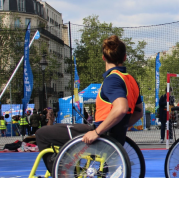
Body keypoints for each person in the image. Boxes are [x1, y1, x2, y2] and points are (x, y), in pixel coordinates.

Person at [35, 35, 143, 173]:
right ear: (125, 57)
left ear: (103, 57)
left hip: (102, 136)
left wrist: (97, 132)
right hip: (112, 136)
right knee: (61, 128)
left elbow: (121, 108)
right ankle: (70, 168)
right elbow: (138, 112)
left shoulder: (113, 80)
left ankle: (63, 175)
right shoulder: (131, 80)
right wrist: (120, 127)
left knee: (43, 133)